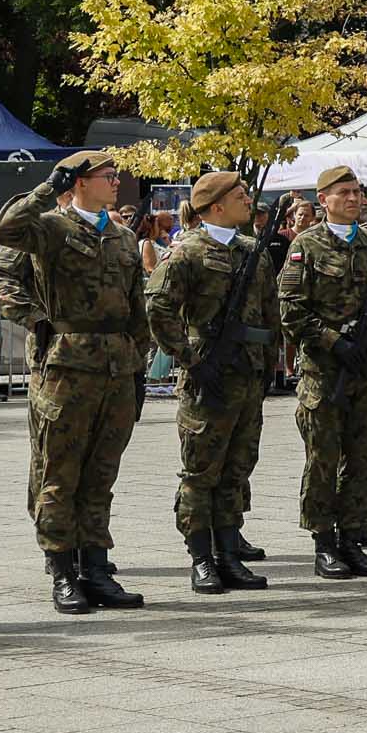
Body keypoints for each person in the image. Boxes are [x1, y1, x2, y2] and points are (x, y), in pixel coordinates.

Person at [0, 153, 149, 614]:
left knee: (101, 474)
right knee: (59, 474)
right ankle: (62, 570)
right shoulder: (52, 228)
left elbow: (136, 306)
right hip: (65, 369)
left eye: (117, 176)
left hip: (116, 368)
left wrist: (139, 365)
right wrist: (48, 186)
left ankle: (96, 569)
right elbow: (6, 231)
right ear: (79, 182)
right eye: (107, 176)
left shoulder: (123, 236)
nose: (116, 182)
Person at [147, 170, 285, 595]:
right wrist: (189, 359)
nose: (248, 200)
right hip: (208, 376)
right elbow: (158, 308)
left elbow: (270, 314)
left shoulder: (253, 251)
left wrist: (268, 366)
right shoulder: (187, 252)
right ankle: (201, 558)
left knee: (237, 469)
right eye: (240, 194)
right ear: (216, 206)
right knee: (201, 470)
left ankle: (228, 553)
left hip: (247, 376)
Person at [277, 165, 367, 578]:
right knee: (324, 460)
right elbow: (290, 310)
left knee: (362, 458)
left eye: (357, 191)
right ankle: (323, 541)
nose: (353, 198)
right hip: (325, 375)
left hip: (366, 371)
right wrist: (333, 341)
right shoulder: (306, 245)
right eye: (344, 192)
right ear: (323, 200)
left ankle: (351, 536)